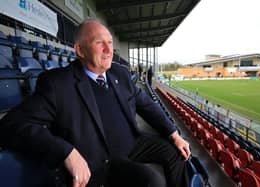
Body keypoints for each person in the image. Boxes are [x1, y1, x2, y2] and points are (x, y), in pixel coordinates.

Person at [0, 20, 191, 187]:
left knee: (176, 153)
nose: (108, 50)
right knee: (153, 181)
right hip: (104, 159)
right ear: (80, 50)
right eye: (99, 43)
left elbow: (146, 105)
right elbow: (11, 125)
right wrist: (66, 151)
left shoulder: (120, 73)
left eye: (110, 43)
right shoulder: (58, 83)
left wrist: (173, 134)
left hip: (133, 143)